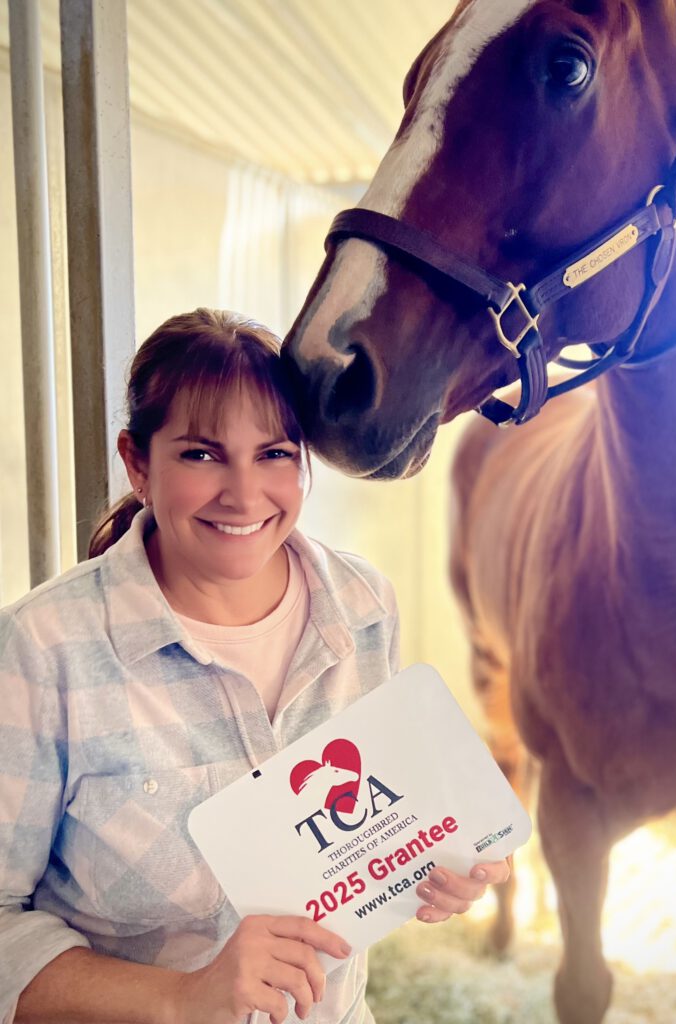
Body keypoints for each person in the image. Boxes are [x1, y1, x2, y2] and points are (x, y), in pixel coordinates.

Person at [0, 309, 510, 1024]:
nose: (243, 495)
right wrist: (183, 998)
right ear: (138, 463)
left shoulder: (364, 605)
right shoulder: (41, 648)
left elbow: (384, 824)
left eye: (273, 453)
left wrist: (442, 861)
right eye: (201, 455)